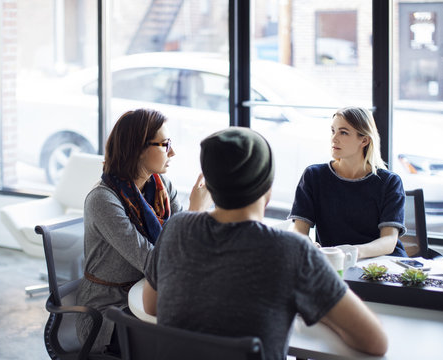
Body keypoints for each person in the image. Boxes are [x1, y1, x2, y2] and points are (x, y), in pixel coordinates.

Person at [142, 127, 388, 360]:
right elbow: (375, 342)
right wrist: (319, 310)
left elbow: (151, 305)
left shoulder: (176, 227)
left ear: (209, 186)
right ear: (267, 189)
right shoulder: (291, 250)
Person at [75, 108, 211, 354]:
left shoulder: (162, 187)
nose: (173, 152)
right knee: (186, 340)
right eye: (165, 144)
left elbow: (183, 248)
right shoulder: (103, 200)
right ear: (137, 148)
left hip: (150, 294)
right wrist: (194, 211)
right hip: (108, 313)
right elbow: (154, 263)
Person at [289, 106, 408, 259]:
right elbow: (299, 231)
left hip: (383, 266)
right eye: (333, 131)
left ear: (364, 140)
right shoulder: (314, 176)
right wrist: (307, 244)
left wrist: (352, 253)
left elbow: (389, 241)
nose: (334, 138)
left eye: (343, 132)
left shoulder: (390, 182)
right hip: (336, 264)